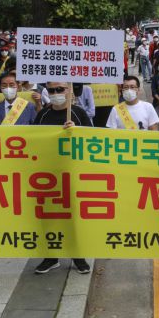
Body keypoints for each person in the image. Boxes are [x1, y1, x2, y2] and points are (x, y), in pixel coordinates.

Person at [32, 81, 92, 275]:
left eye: (60, 89)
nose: (56, 93)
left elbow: (93, 142)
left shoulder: (78, 114)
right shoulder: (43, 115)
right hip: (48, 175)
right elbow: (34, 142)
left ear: (69, 90)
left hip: (72, 175)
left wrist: (77, 131)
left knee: (73, 217)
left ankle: (78, 255)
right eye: (52, 90)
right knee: (48, 217)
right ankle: (51, 257)